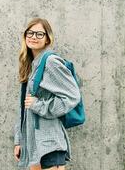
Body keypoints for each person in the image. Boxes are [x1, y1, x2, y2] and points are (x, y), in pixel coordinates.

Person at [13, 18, 81, 170]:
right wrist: (19, 140)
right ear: (25, 36)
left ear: (47, 39)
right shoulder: (31, 65)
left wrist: (39, 105)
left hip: (49, 143)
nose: (33, 37)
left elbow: (72, 96)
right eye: (30, 33)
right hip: (33, 144)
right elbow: (23, 108)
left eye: (39, 34)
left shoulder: (51, 62)